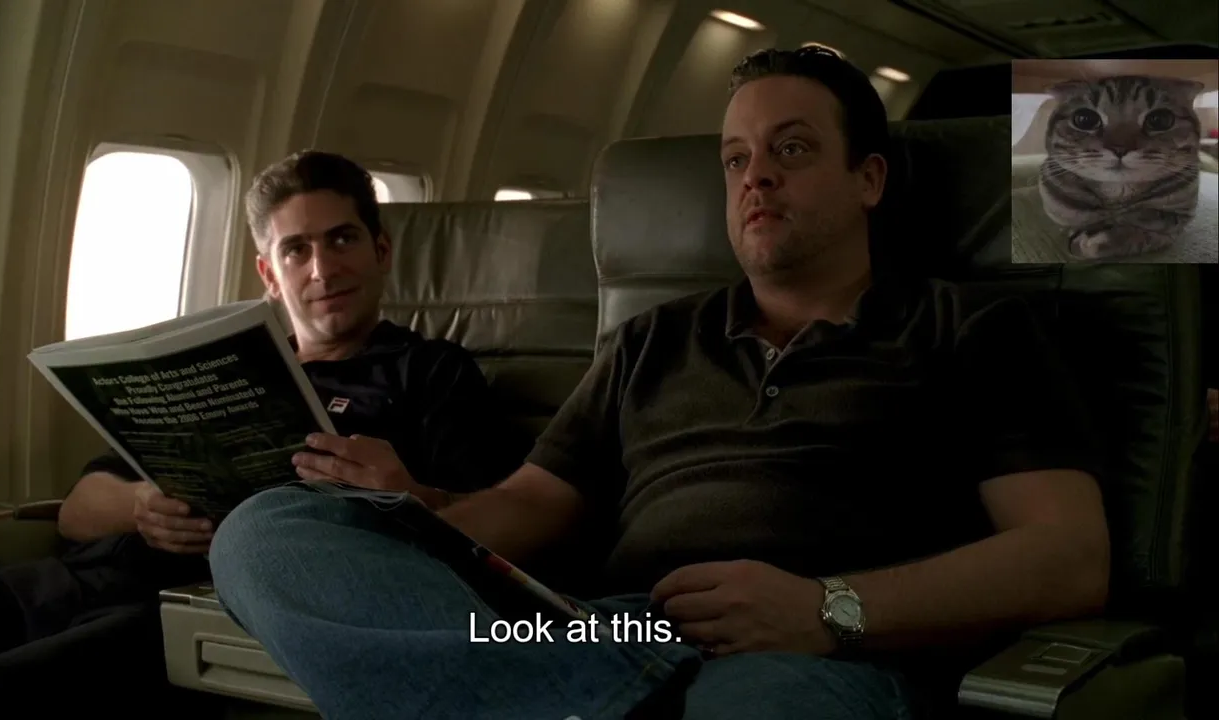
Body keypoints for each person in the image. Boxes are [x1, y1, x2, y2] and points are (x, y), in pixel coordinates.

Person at [209, 48, 1110, 720]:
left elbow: (1070, 557)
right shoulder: (653, 340)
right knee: (265, 532)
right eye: (736, 159)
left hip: (822, 649)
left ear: (868, 178)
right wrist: (414, 509)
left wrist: (828, 608)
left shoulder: (969, 327)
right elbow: (528, 505)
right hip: (614, 634)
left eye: (792, 149)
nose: (756, 176)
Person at [0, 151, 523, 718]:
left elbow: (504, 532)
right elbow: (74, 513)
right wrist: (141, 506)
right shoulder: (217, 369)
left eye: (342, 239)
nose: (323, 270)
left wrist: (411, 497)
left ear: (381, 251)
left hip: (199, 608)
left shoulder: (430, 371)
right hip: (81, 577)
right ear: (270, 275)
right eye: (296, 250)